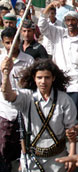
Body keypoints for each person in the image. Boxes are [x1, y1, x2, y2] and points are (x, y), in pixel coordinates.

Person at [1, 58, 77, 172]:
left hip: (57, 159)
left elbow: (71, 132)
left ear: (53, 78)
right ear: (34, 78)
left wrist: (72, 155)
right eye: (39, 77)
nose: (43, 81)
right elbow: (8, 95)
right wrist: (5, 74)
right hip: (32, 160)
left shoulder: (64, 100)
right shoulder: (27, 97)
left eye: (47, 77)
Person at [38, 2, 78, 110]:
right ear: (65, 22)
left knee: (74, 115)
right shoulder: (58, 33)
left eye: (73, 20)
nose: (70, 23)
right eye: (68, 20)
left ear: (77, 21)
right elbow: (42, 25)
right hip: (59, 83)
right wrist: (49, 7)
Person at [0, 27, 34, 171]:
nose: (10, 46)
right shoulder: (1, 60)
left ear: (19, 41)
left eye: (13, 42)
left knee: (24, 151)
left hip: (23, 112)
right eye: (7, 43)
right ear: (3, 43)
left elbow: (32, 86)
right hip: (5, 113)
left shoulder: (28, 60)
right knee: (4, 150)